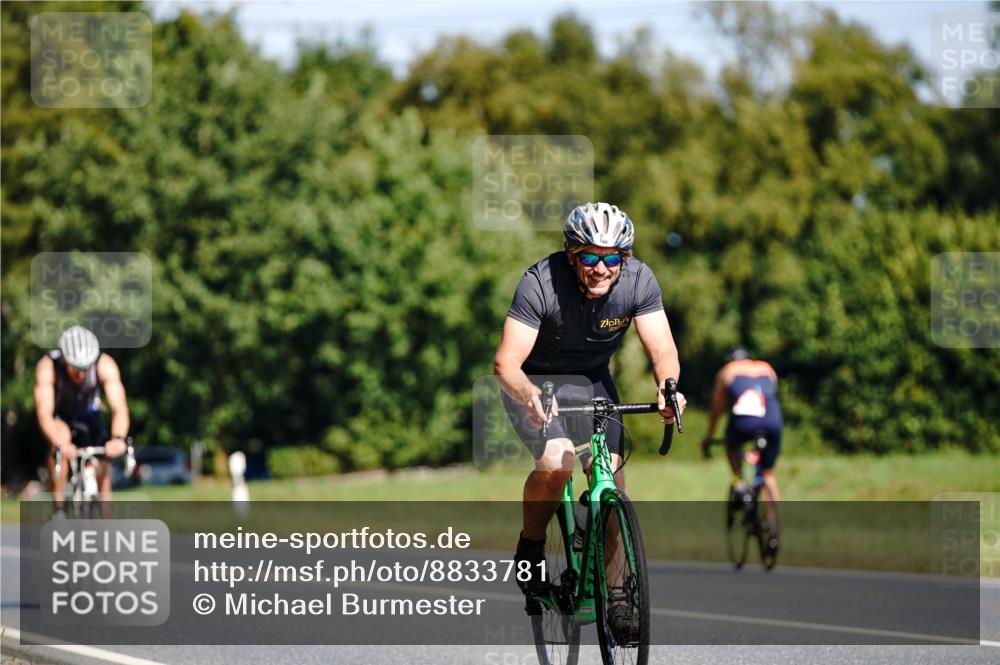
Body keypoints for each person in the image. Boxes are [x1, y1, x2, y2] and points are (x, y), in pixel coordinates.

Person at [493, 202, 686, 621]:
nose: (601, 268)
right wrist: (528, 394)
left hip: (593, 379)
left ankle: (617, 597)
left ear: (625, 259)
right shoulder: (540, 283)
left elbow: (663, 348)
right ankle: (530, 547)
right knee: (556, 460)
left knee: (611, 476)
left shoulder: (639, 281)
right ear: (571, 255)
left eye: (612, 257)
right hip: (534, 381)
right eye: (590, 257)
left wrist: (668, 389)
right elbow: (506, 363)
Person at [34, 325, 130, 509]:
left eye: (85, 368)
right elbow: (44, 413)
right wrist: (62, 445)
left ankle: (104, 530)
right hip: (61, 417)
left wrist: (118, 438)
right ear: (64, 359)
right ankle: (58, 508)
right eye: (76, 368)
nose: (81, 374)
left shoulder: (105, 364)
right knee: (60, 444)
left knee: (103, 468)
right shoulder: (47, 367)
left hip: (89, 415)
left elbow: (120, 408)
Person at [701, 347, 783, 554]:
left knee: (731, 444)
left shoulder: (727, 371)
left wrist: (709, 436)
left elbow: (717, 408)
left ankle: (738, 482)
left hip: (744, 422)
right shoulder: (766, 367)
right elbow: (771, 395)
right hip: (773, 421)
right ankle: (773, 526)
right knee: (768, 474)